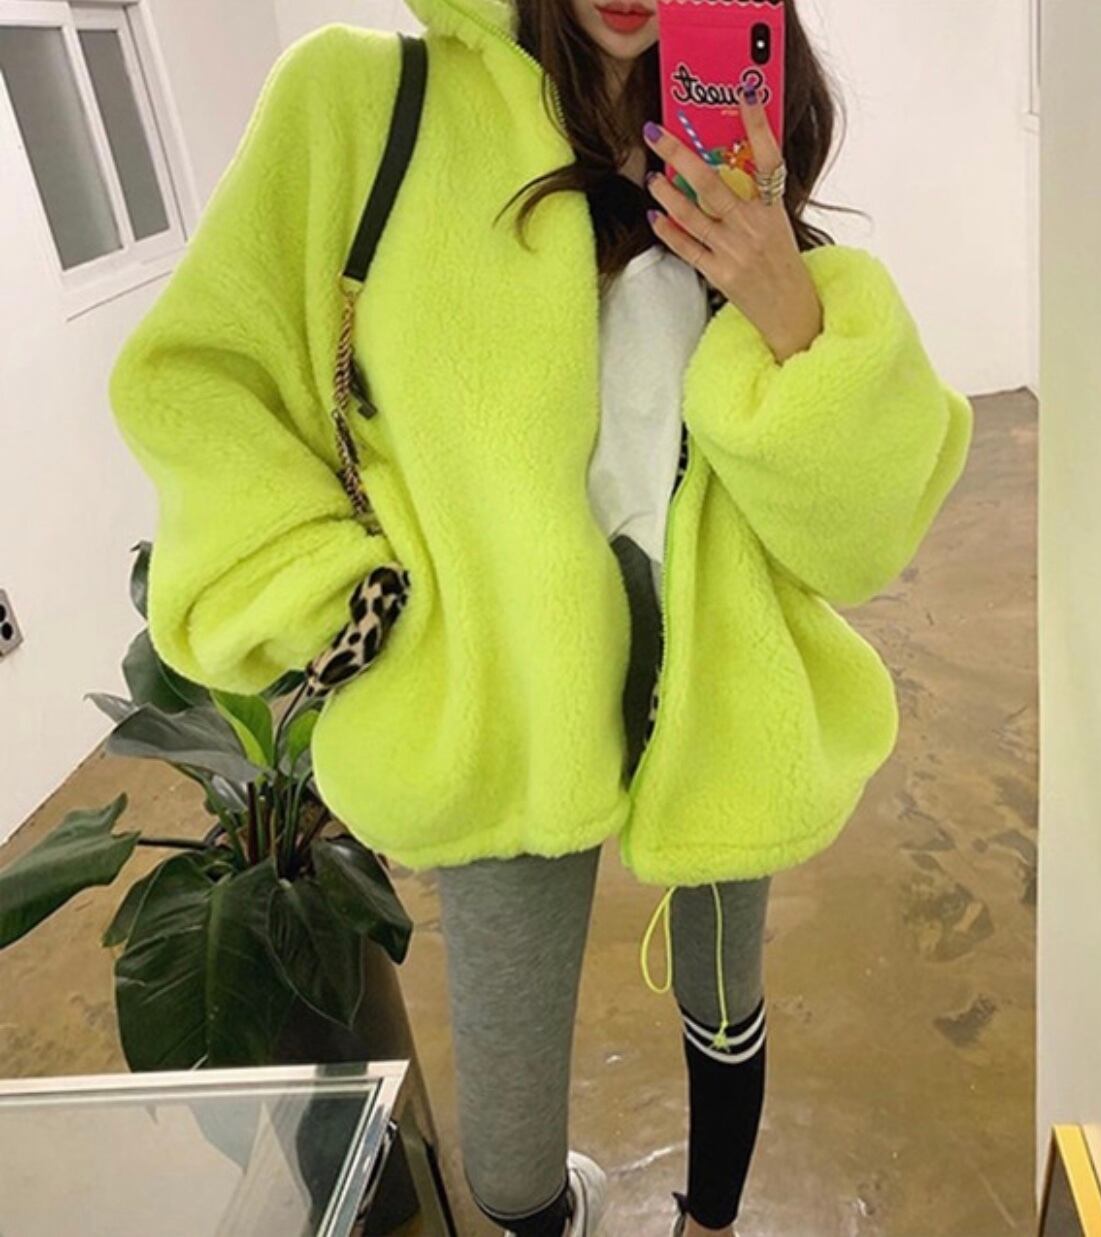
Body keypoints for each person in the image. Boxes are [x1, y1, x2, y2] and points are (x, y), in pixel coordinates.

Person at [107, 1, 974, 1234]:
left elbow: (858, 542)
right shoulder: (367, 101)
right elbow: (202, 375)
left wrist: (791, 310)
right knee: (509, 1152)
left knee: (725, 1005)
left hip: (721, 673)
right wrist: (341, 600)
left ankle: (711, 1220)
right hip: (503, 687)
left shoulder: (735, 156)